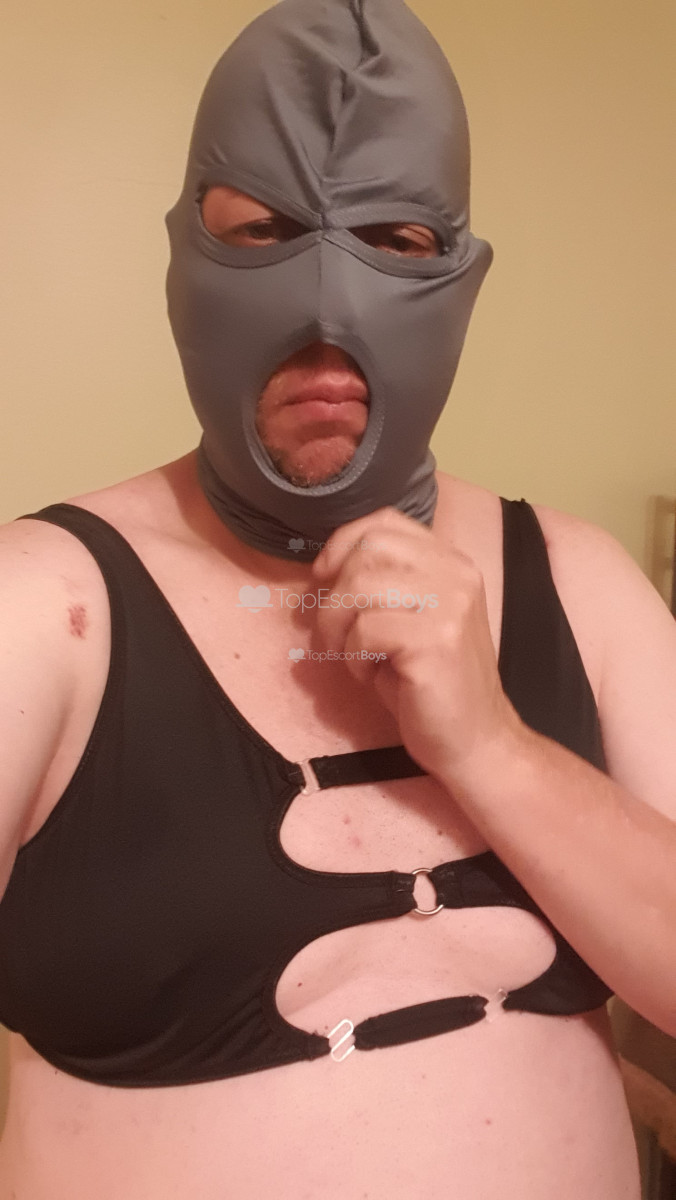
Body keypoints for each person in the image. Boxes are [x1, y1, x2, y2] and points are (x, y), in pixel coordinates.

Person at [0, 1, 674, 1197]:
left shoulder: (579, 583)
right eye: (259, 232)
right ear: (182, 259)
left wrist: (494, 746)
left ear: (460, 276)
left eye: (396, 241)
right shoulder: (46, 608)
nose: (326, 307)